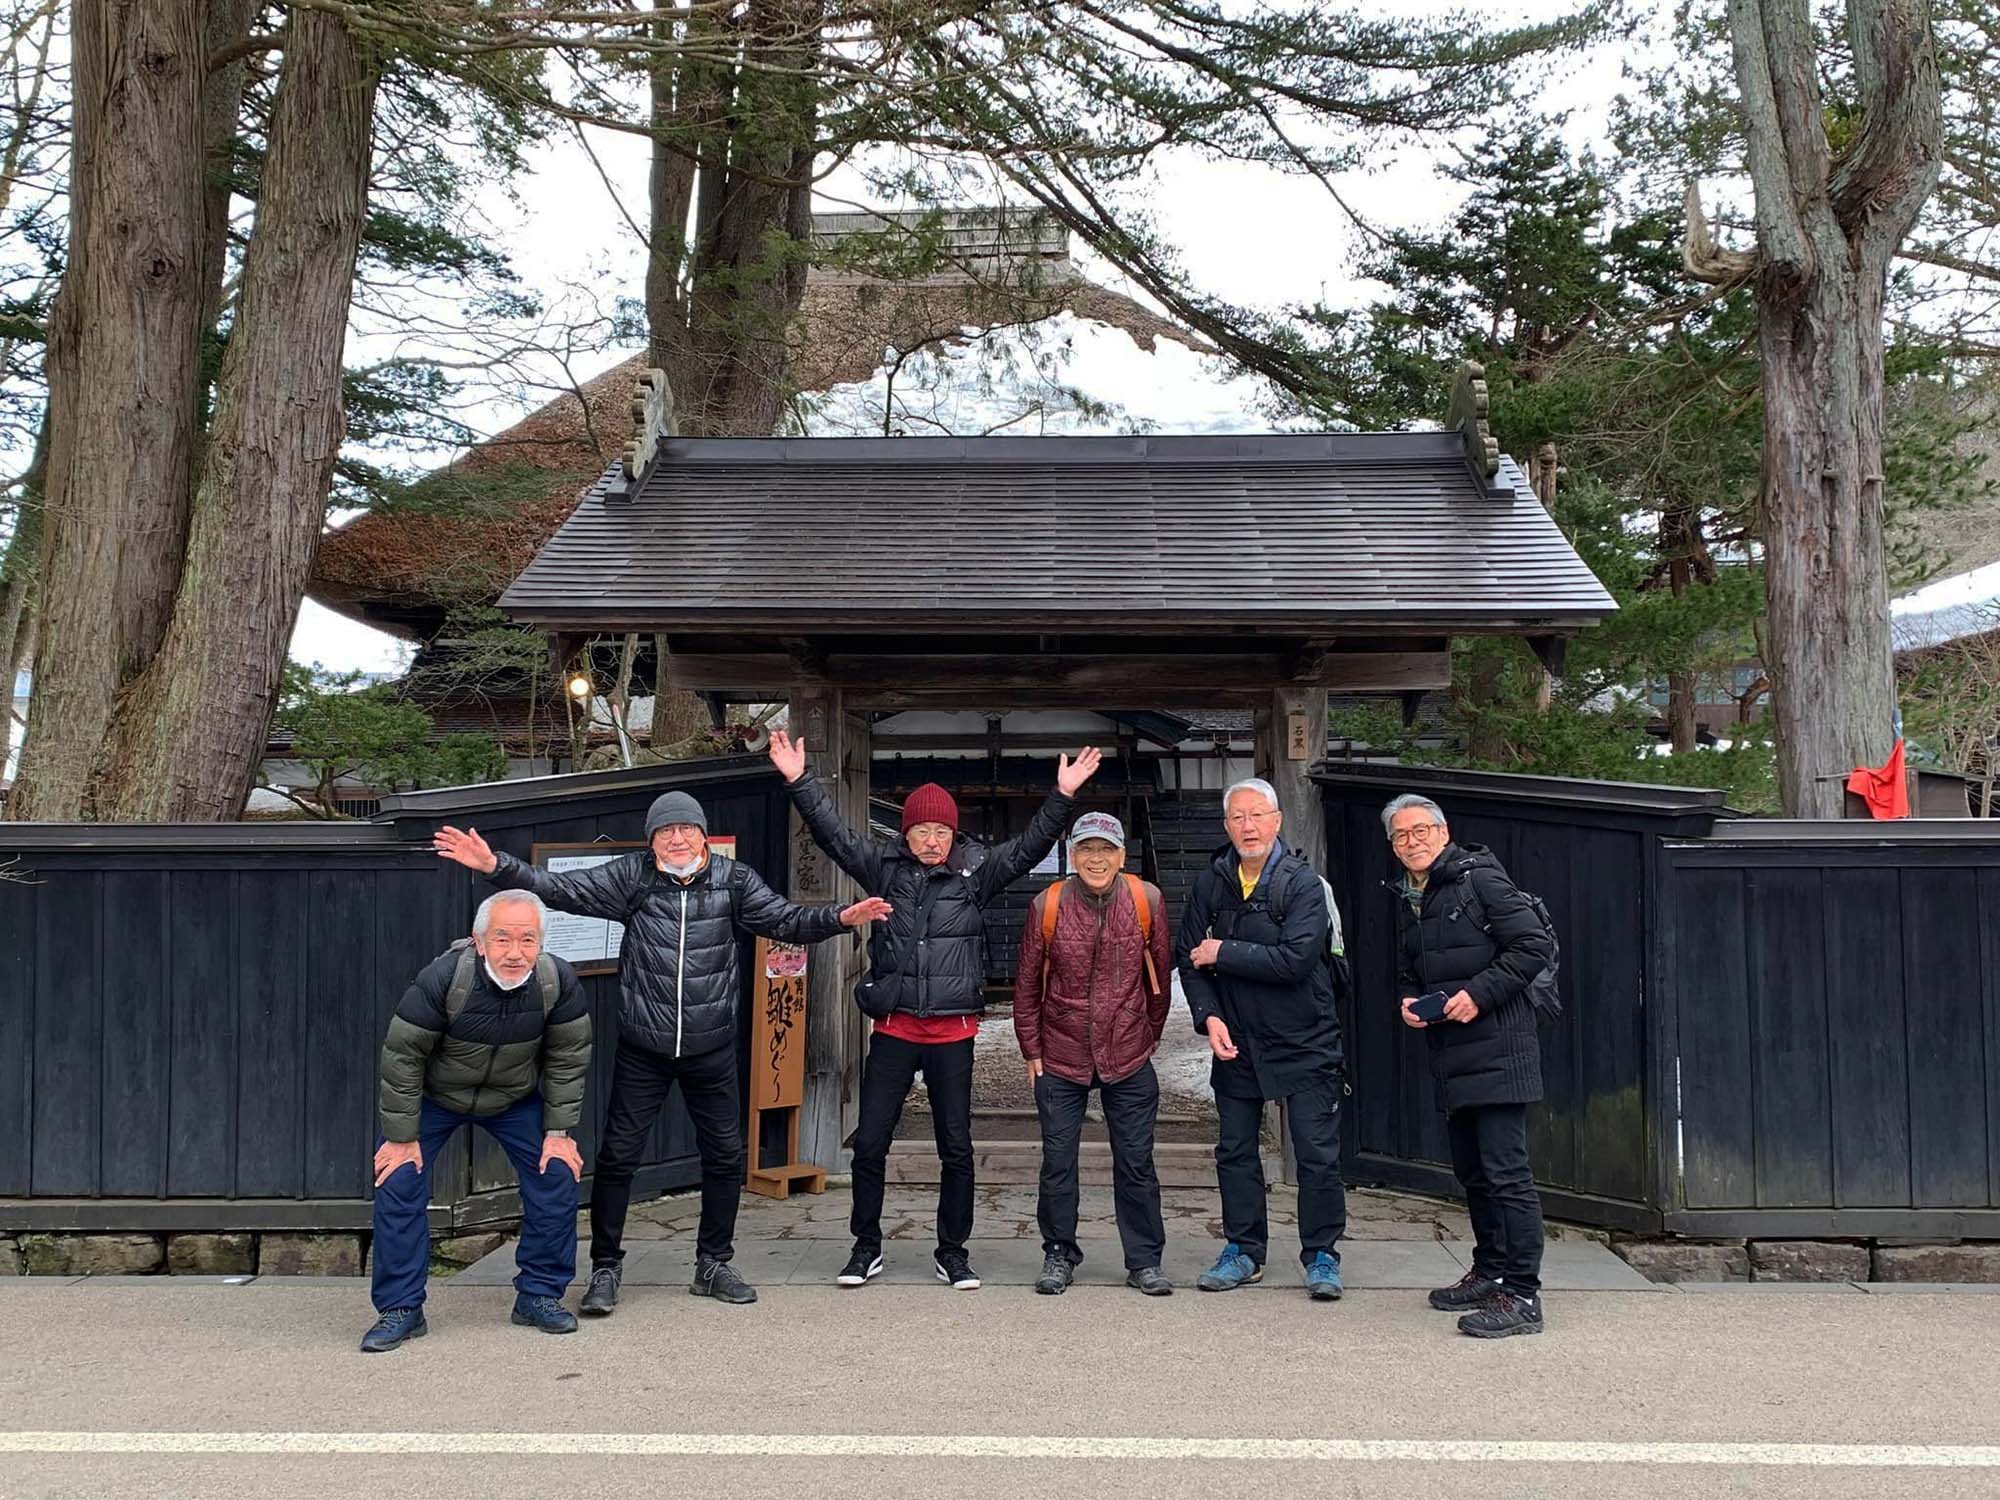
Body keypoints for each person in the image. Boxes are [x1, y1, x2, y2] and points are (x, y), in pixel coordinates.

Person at [433, 791, 888, 1315]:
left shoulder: (732, 880)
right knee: (618, 1157)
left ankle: (713, 1262)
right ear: (651, 840)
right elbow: (560, 889)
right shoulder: (634, 876)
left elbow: (785, 920)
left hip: (711, 1044)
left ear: (702, 834)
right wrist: (495, 866)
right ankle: (606, 1266)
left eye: (686, 829)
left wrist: (841, 916)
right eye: (665, 831)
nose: (677, 839)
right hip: (644, 1044)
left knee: (724, 1156)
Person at [769, 728, 1100, 1291]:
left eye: (941, 831)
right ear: (906, 833)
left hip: (953, 1033)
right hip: (895, 1028)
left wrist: (1063, 795)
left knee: (956, 1148)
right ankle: (865, 1246)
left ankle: (953, 1251)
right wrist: (800, 780)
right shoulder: (883, 867)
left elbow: (1029, 848)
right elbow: (834, 837)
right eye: (921, 830)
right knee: (870, 1143)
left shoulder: (977, 871)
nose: (931, 840)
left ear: (953, 832)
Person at [363, 891, 590, 1352]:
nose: (515, 952)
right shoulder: (446, 978)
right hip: (438, 1096)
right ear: (479, 941)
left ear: (541, 943)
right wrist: (402, 1139)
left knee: (556, 1172)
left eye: (528, 940)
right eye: (502, 939)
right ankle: (401, 1307)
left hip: (512, 1097)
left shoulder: (557, 981)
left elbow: (568, 1057)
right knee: (398, 1177)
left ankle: (539, 1295)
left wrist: (558, 1133)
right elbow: (403, 1055)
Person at [1386, 792, 1553, 1338]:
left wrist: (1478, 995)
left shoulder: (1480, 879)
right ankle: (1490, 1271)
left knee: (1508, 1175)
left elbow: (1530, 945)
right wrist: (1410, 1001)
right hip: (1452, 1054)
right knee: (1474, 1174)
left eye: (1421, 831)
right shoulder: (1412, 896)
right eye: (1401, 835)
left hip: (1501, 1049)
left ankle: (1522, 1294)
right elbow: (1412, 968)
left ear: (1443, 832)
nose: (1411, 842)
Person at [1176, 776, 1347, 1300]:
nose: (1247, 826)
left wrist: (1222, 951)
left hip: (1305, 1036)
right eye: (1238, 817)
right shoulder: (1211, 883)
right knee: (1235, 1150)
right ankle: (1243, 1250)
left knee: (1315, 1153)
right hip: (1237, 1038)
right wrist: (1209, 1018)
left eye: (1257, 815)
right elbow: (1188, 956)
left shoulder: (1303, 884)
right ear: (1226, 826)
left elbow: (1295, 960)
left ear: (1276, 821)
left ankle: (1322, 1254)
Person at [1014, 811, 1174, 1297]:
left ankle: (1144, 1260)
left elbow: (1160, 981)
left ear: (1122, 855)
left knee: (1136, 1161)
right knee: (1058, 1161)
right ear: (1072, 854)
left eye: (1106, 849)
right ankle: (1058, 1253)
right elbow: (1026, 986)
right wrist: (1031, 1048)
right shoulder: (1047, 905)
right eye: (1086, 849)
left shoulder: (1147, 901)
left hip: (1128, 1051)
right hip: (1061, 1052)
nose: (1096, 859)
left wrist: (1146, 1035)